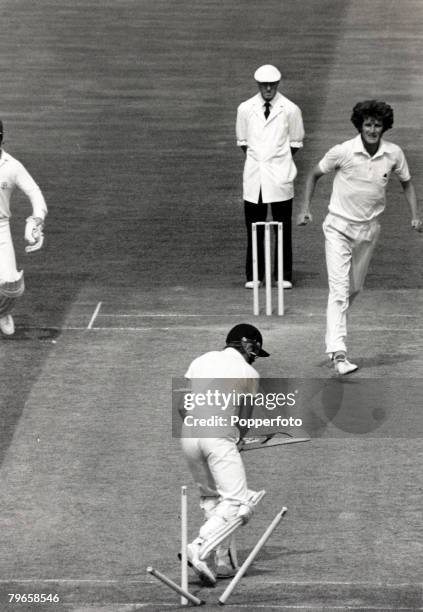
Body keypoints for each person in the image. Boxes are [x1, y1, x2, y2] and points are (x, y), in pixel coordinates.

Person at [297, 100, 422, 374]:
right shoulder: (342, 151)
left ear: (384, 127)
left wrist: (415, 214)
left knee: (353, 289)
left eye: (377, 125)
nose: (372, 129)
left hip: (369, 231)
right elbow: (313, 175)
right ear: (360, 125)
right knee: (340, 291)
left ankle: (334, 324)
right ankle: (338, 353)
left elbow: (407, 183)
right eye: (368, 124)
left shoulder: (394, 154)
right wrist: (305, 209)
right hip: (338, 228)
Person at [179, 323, 269, 585]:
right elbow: (244, 421)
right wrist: (234, 442)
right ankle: (199, 547)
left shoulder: (200, 360)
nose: (255, 357)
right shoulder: (248, 372)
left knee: (212, 498)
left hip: (188, 434)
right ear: (246, 344)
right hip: (218, 436)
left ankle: (223, 562)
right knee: (239, 502)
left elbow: (182, 406)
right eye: (255, 351)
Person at [236, 64, 305, 290]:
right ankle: (254, 274)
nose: (268, 89)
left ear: (277, 84)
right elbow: (243, 142)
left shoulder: (290, 109)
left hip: (280, 177)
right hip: (255, 177)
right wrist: (261, 162)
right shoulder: (245, 109)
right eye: (264, 85)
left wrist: (277, 162)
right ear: (258, 85)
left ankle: (282, 275)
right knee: (254, 227)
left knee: (282, 227)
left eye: (272, 85)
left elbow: (295, 142)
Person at [0, 120, 48, 336]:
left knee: (12, 288)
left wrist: (36, 220)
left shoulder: (11, 166)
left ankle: (1, 312)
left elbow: (35, 192)